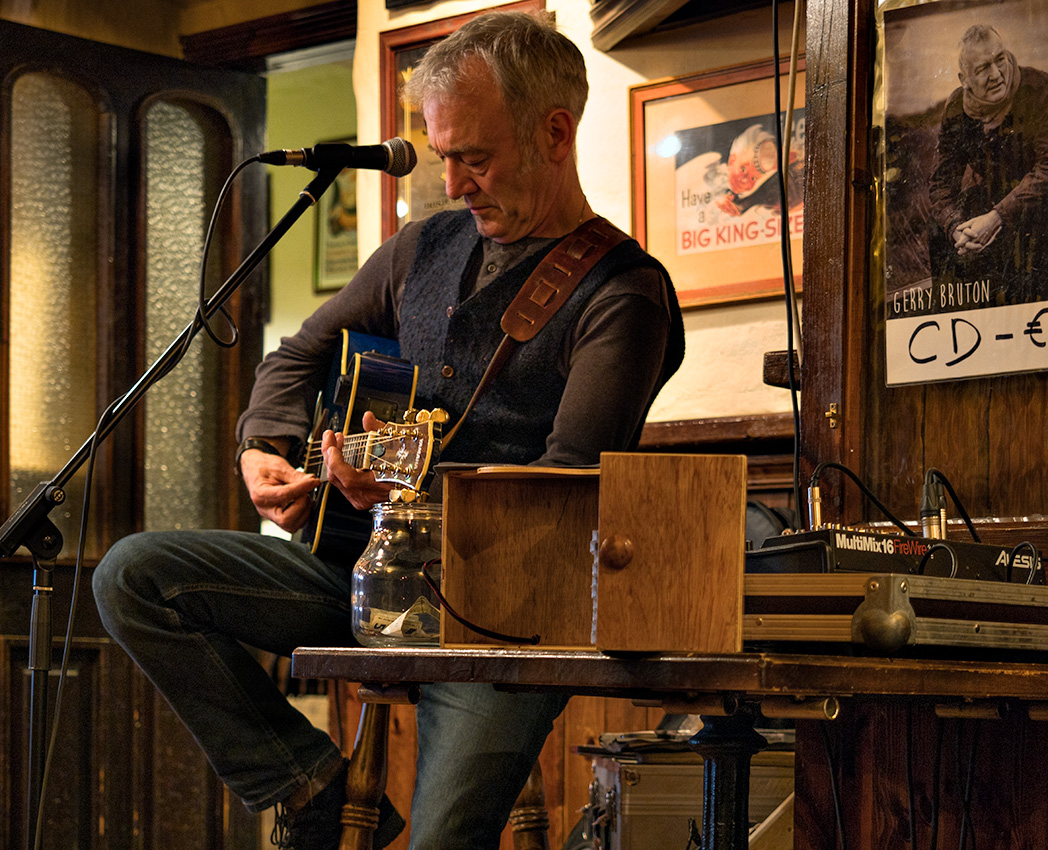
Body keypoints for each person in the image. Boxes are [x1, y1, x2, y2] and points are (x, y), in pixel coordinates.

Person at [92, 10, 685, 850]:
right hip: (363, 581)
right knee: (132, 575)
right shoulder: (420, 249)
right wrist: (264, 447)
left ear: (555, 132)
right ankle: (308, 783)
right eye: (444, 157)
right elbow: (296, 359)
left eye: (474, 157)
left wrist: (410, 488)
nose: (453, 182)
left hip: (502, 621)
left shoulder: (623, 295)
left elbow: (565, 487)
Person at [928, 24, 1048, 305]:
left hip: (1039, 207)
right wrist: (957, 228)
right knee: (938, 231)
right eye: (983, 69)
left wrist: (996, 218)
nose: (996, 75)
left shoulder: (1039, 90)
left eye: (1000, 59)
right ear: (964, 78)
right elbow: (940, 183)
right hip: (990, 214)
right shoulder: (957, 109)